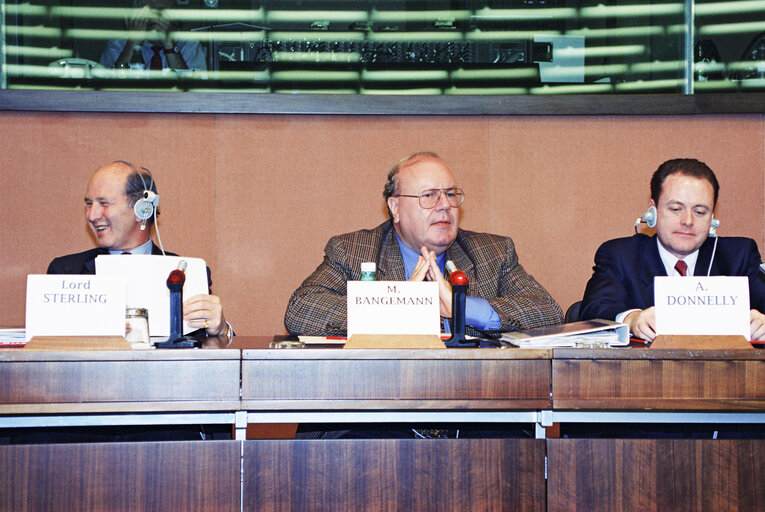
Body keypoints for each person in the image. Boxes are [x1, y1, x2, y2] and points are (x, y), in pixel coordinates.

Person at [284, 151, 563, 337]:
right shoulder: (353, 251)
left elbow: (548, 312)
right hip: (380, 410)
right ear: (395, 207)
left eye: (451, 195)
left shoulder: (492, 253)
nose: (445, 206)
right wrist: (403, 306)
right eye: (429, 195)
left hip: (472, 409)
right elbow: (302, 310)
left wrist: (461, 309)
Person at [580, 158, 765, 342]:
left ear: (712, 218)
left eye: (700, 212)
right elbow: (592, 311)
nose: (688, 221)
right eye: (676, 209)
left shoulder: (739, 256)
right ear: (653, 212)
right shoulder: (621, 256)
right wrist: (631, 319)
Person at [48, 160, 230, 339]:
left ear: (142, 209)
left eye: (103, 203)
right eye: (89, 203)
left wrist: (222, 330)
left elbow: (210, 354)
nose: (91, 215)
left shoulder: (185, 274)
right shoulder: (66, 272)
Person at [99, 0, 207, 71]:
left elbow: (192, 91)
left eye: (161, 13)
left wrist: (169, 44)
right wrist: (133, 43)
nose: (154, 19)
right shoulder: (117, 45)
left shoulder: (189, 45)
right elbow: (108, 89)